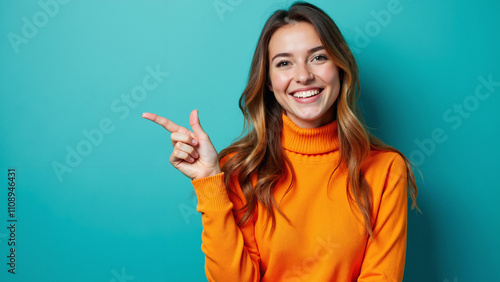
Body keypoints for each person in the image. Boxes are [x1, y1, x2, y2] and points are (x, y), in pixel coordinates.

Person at [143, 2, 418, 281]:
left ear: (340, 68)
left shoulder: (385, 169)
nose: (303, 76)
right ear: (269, 82)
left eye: (318, 57)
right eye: (284, 63)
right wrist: (209, 181)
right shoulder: (239, 168)